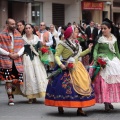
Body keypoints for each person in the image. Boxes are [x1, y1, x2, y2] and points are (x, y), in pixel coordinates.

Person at [45, 27, 95, 116]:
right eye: (76, 32)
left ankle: (80, 108)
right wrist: (61, 64)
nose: (77, 34)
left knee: (81, 85)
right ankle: (60, 105)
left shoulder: (76, 43)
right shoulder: (62, 44)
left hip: (77, 67)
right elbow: (57, 55)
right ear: (71, 33)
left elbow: (79, 54)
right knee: (62, 87)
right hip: (65, 66)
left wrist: (88, 50)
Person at [92, 21, 120, 111]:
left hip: (113, 60)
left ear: (110, 29)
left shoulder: (114, 39)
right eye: (102, 28)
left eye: (105, 28)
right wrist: (96, 59)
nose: (103, 30)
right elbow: (95, 50)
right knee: (104, 83)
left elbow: (117, 51)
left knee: (113, 82)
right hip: (103, 60)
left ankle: (110, 100)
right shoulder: (99, 39)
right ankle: (106, 102)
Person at [21, 24, 48, 103]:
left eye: (29, 28)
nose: (28, 29)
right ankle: (30, 96)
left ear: (32, 29)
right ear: (25, 30)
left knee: (38, 76)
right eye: (26, 28)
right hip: (26, 58)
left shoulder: (36, 38)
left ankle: (35, 95)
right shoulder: (22, 39)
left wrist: (44, 53)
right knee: (29, 76)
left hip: (36, 59)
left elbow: (40, 48)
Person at [0, 18, 24, 105]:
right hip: (6, 60)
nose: (14, 25)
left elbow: (22, 46)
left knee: (15, 79)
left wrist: (17, 54)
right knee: (8, 79)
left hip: (16, 59)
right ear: (7, 25)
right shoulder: (1, 34)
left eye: (15, 24)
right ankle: (10, 97)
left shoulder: (18, 34)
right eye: (12, 24)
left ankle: (11, 92)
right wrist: (9, 54)